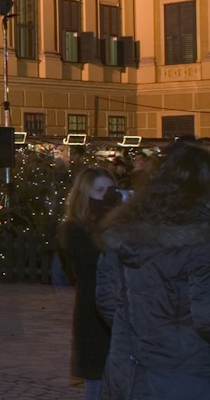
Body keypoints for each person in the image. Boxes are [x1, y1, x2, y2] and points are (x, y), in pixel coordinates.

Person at [96, 142, 210, 398]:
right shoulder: (202, 239)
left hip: (126, 370)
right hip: (187, 374)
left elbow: (106, 302)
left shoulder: (120, 231)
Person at [59, 167, 116, 400]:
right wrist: (109, 215)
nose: (104, 197)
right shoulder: (73, 229)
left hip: (120, 309)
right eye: (99, 191)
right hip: (92, 312)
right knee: (97, 377)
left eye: (109, 191)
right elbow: (96, 256)